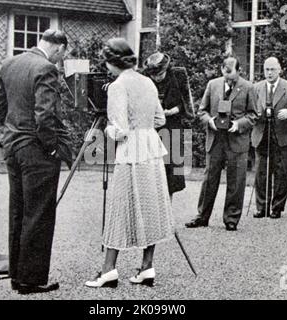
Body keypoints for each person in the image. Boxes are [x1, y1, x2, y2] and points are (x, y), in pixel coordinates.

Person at [85, 38, 174, 288]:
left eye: (106, 62)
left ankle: (108, 270)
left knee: (119, 207)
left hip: (131, 151)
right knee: (150, 206)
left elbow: (121, 130)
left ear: (112, 62)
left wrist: (108, 131)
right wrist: (142, 126)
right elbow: (160, 119)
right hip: (151, 149)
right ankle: (147, 267)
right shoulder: (148, 82)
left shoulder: (117, 85)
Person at [0, 29, 72, 294]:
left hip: (13, 146)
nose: (61, 60)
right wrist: (51, 148)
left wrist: (11, 135)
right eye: (62, 56)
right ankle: (31, 280)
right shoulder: (47, 68)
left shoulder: (9, 64)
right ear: (59, 48)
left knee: (18, 211)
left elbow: (0, 110)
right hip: (36, 150)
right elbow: (44, 115)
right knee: (38, 213)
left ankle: (17, 274)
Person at [185, 55, 258, 231]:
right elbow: (201, 111)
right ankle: (202, 216)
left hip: (237, 141)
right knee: (209, 179)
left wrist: (238, 124)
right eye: (226, 76)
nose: (229, 81)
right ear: (221, 70)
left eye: (232, 77)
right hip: (215, 140)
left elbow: (254, 115)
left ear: (239, 71)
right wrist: (209, 121)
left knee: (236, 180)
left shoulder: (248, 88)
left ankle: (231, 219)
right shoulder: (212, 85)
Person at [251, 57, 287, 219]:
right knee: (261, 172)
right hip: (261, 135)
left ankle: (277, 207)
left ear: (279, 69)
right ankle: (262, 207)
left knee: (282, 173)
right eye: (266, 69)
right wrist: (255, 115)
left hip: (282, 136)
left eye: (272, 69)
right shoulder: (256, 88)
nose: (269, 73)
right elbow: (249, 110)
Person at [143, 52, 195, 200]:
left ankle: (168, 208)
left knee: (171, 170)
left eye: (160, 74)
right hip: (152, 128)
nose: (157, 78)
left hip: (172, 128)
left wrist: (172, 111)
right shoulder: (146, 81)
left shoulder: (177, 77)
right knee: (152, 168)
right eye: (154, 76)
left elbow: (185, 103)